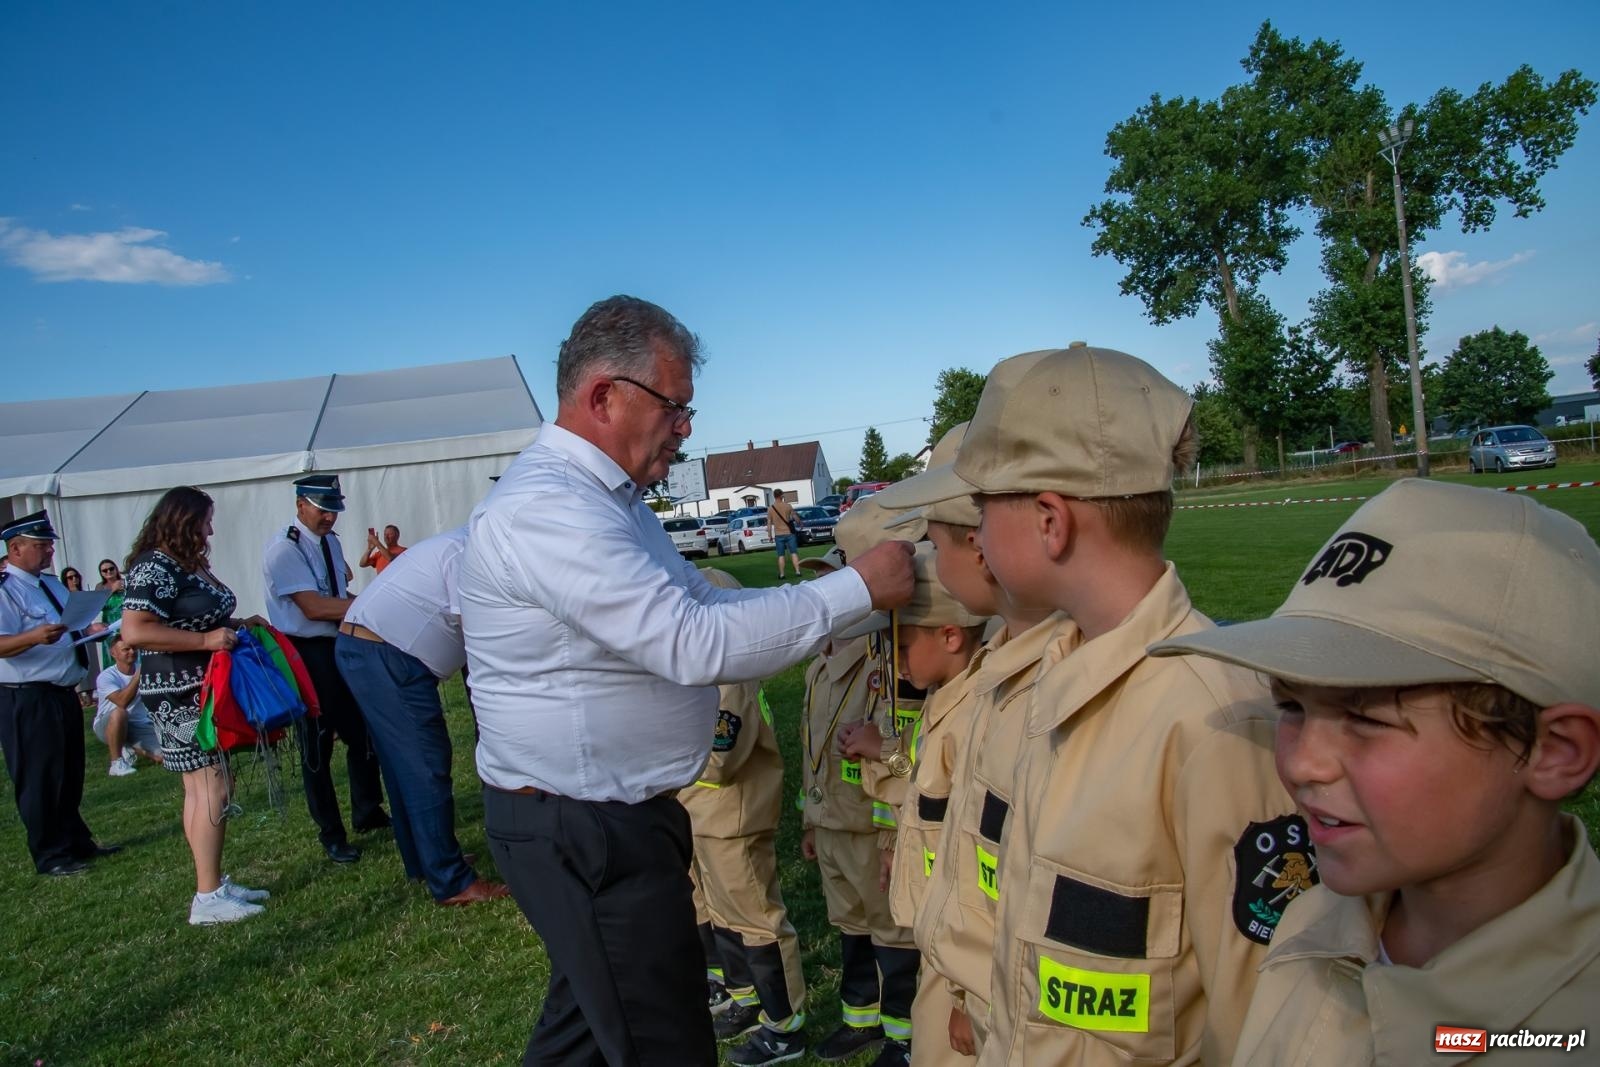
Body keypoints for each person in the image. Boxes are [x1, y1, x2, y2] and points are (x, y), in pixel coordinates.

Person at [461, 294, 914, 1066]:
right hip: (587, 826)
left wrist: (856, 612)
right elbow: (691, 640)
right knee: (661, 1040)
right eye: (674, 404)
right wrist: (859, 587)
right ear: (604, 395)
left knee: (587, 1027)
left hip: (611, 817)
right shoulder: (550, 508)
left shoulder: (612, 503)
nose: (686, 426)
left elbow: (702, 600)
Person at [882, 345, 1305, 1066]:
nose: (975, 534)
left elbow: (1269, 1023)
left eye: (984, 507)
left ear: (1051, 521)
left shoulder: (1216, 720)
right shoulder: (1053, 671)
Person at [1147, 479, 1600, 1064]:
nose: (1302, 762)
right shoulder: (1313, 919)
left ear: (1554, 751)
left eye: (1365, 718)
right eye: (1291, 707)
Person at [333, 525, 508, 906]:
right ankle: (450, 880)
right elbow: (476, 633)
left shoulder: (460, 543)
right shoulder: (469, 554)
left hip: (368, 649)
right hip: (385, 655)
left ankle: (426, 862)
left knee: (403, 768)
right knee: (425, 763)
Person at [119, 487, 271, 923]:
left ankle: (213, 882)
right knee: (212, 786)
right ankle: (206, 897)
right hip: (177, 689)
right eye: (205, 520)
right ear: (183, 520)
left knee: (204, 786)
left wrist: (238, 625)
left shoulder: (185, 564)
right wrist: (205, 641)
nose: (210, 529)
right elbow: (135, 630)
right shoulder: (154, 566)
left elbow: (193, 614)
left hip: (201, 686)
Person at [682, 567, 808, 1066]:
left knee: (756, 921)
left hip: (729, 818)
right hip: (698, 815)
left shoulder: (728, 679)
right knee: (718, 914)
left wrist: (668, 753)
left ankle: (785, 1025)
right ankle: (743, 997)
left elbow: (719, 757)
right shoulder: (701, 674)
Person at [262, 473, 388, 863]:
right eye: (322, 509)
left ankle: (368, 810)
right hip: (306, 651)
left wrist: (364, 604)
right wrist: (368, 606)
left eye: (333, 510)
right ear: (301, 505)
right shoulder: (285, 549)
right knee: (316, 747)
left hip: (337, 644)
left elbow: (337, 595)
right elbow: (313, 607)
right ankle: (331, 833)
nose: (329, 518)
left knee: (364, 733)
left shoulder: (329, 543)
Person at [0, 510, 116, 876]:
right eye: (41, 545)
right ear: (15, 548)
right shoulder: (6, 589)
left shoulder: (50, 584)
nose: (49, 551)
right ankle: (50, 853)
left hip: (61, 689)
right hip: (27, 693)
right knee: (39, 775)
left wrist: (88, 629)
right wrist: (34, 635)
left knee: (69, 770)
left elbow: (69, 625)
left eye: (49, 544)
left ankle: (75, 840)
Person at [93, 633, 162, 776]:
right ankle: (116, 763)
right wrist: (137, 677)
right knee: (120, 713)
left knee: (164, 757)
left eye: (134, 648)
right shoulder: (106, 676)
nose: (132, 652)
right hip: (108, 725)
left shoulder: (145, 669)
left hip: (139, 724)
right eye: (126, 649)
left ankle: (129, 746)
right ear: (114, 653)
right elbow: (121, 701)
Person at [768, 493, 801, 579]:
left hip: (778, 534)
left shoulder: (770, 508)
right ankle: (797, 571)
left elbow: (768, 524)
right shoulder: (788, 506)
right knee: (794, 553)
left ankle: (782, 574)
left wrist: (769, 535)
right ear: (781, 496)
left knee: (781, 555)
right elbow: (795, 517)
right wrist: (800, 523)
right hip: (789, 533)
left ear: (774, 496)